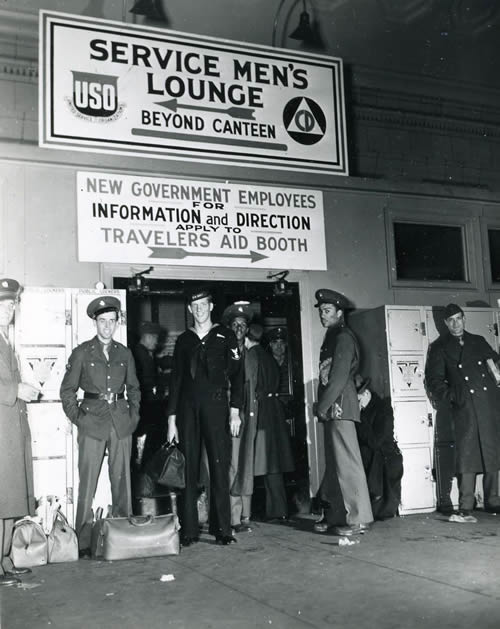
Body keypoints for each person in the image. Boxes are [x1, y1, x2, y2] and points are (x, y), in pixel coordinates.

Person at [60, 296, 141, 556]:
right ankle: (82, 542)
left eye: (112, 321)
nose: (107, 327)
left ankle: (123, 536)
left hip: (120, 422)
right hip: (92, 422)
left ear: (118, 322)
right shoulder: (82, 352)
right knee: (87, 484)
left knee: (122, 483)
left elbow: (134, 388)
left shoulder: (124, 353)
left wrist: (133, 417)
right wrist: (79, 419)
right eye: (102, 321)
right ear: (95, 322)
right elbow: (67, 391)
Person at [166, 287, 243, 546]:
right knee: (189, 468)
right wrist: (171, 419)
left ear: (211, 306)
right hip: (188, 410)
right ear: (189, 309)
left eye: (203, 304)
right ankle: (188, 531)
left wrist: (235, 411)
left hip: (217, 407)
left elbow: (238, 376)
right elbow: (176, 380)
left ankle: (222, 529)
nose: (199, 309)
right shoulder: (184, 340)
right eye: (194, 305)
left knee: (219, 468)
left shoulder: (226, 336)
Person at [425, 303, 500, 523]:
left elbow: (494, 362)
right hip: (464, 406)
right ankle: (467, 503)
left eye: (459, 318)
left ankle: (493, 500)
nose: (456, 324)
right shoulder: (439, 347)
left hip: (487, 403)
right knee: (467, 454)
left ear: (464, 318)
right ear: (446, 323)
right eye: (451, 320)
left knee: (491, 451)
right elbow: (434, 380)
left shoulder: (478, 341)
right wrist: (454, 397)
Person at [313, 288, 373, 536]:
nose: (322, 315)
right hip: (332, 409)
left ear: (339, 312)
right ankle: (338, 515)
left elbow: (337, 379)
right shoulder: (333, 335)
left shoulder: (343, 337)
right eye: (321, 311)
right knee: (336, 465)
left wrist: (322, 406)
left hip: (340, 406)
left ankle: (359, 518)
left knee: (348, 464)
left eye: (327, 311)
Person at [231, 323, 295, 522]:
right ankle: (277, 509)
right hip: (273, 412)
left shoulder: (253, 356)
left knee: (259, 463)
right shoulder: (268, 358)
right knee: (272, 464)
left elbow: (250, 386)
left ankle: (271, 510)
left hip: (261, 413)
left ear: (247, 338)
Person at [0, 279, 40, 586]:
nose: (8, 309)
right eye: (3, 304)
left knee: (10, 499)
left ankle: (5, 560)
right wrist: (18, 389)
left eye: (12, 304)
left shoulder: (5, 340)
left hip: (11, 433)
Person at [222, 302, 253, 534]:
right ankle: (233, 516)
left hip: (247, 415)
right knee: (231, 464)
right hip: (228, 412)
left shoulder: (253, 353)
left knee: (244, 463)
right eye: (235, 325)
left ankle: (244, 515)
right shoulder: (224, 352)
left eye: (243, 325)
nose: (239, 328)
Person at [355, 375, 403, 520]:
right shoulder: (367, 408)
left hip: (385, 457)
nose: (358, 404)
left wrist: (359, 417)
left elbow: (376, 441)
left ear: (367, 394)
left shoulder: (383, 409)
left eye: (358, 400)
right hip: (372, 456)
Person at [132, 321, 165, 467]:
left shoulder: (144, 353)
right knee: (156, 436)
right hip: (146, 404)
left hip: (147, 402)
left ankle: (148, 469)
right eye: (156, 339)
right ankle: (149, 469)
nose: (157, 343)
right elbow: (145, 382)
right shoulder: (140, 354)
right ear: (148, 337)